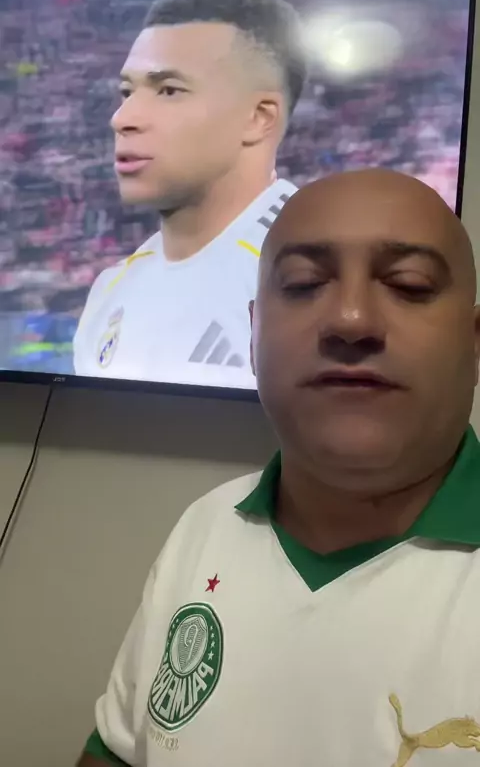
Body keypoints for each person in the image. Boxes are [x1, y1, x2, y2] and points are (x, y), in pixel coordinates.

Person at [77, 168, 480, 767]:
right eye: (303, 283)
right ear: (253, 334)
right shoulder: (206, 526)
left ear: (475, 341)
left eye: (408, 284)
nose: (351, 319)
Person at [73, 0, 306, 388]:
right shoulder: (111, 289)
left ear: (258, 118)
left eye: (168, 90)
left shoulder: (315, 276)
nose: (122, 118)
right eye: (127, 92)